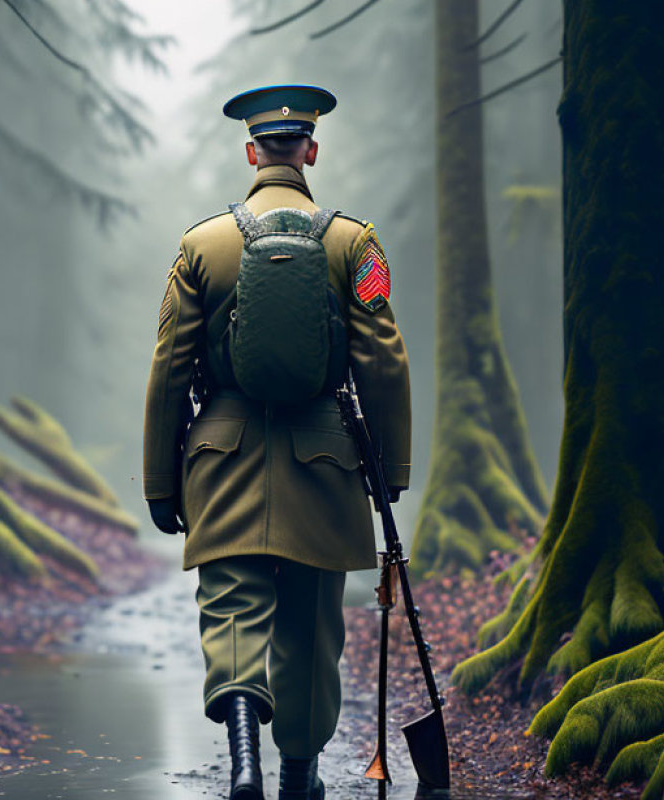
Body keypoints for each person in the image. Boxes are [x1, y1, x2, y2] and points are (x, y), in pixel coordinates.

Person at [142, 84, 411, 800]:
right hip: (325, 462)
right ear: (311, 152)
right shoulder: (358, 243)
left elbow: (169, 367)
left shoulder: (200, 245)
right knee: (313, 634)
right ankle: (299, 776)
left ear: (252, 151)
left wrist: (161, 482)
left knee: (231, 610)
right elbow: (384, 359)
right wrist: (392, 470)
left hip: (221, 457)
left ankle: (242, 767)